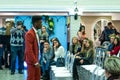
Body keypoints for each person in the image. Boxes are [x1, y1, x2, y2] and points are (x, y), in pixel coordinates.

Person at [24, 16, 42, 80]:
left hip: (36, 59)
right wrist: (35, 62)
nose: (41, 24)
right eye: (40, 23)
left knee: (37, 77)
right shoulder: (29, 34)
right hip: (32, 61)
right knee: (31, 78)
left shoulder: (36, 33)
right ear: (35, 23)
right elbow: (29, 50)